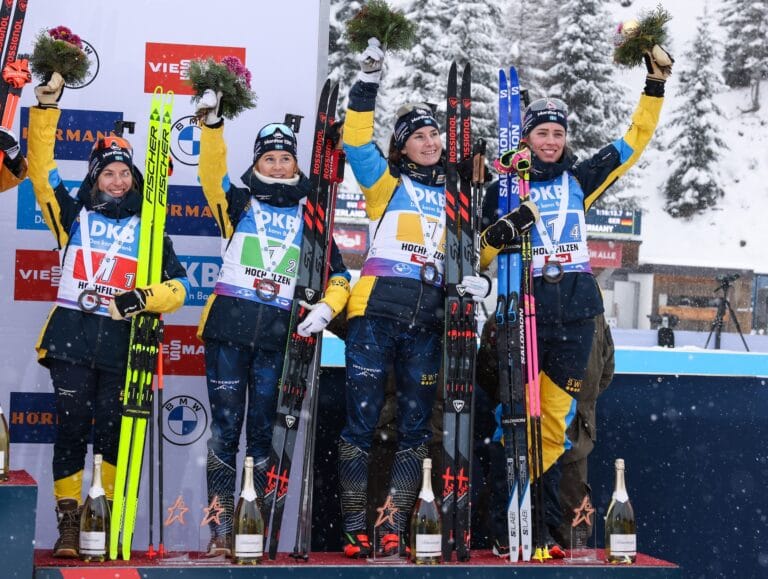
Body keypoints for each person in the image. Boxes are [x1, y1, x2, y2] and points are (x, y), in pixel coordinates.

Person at [478, 44, 673, 552]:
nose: (550, 141)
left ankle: (542, 528)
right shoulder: (505, 186)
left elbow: (632, 143)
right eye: (541, 132)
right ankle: (504, 528)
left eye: (557, 133)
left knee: (553, 429)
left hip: (577, 308)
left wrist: (654, 87)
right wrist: (501, 232)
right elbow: (479, 254)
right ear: (526, 138)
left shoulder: (579, 179)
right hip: (525, 306)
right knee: (514, 422)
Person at [337, 38, 490, 559]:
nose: (430, 142)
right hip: (375, 313)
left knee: (415, 430)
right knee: (360, 422)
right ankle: (355, 524)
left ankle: (391, 523)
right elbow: (356, 145)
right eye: (418, 136)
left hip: (430, 320)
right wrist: (368, 83)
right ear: (401, 147)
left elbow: (476, 251)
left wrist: (485, 278)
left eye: (434, 135)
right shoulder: (386, 182)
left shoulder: (460, 197)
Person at [27, 72, 189, 558]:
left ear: (135, 178)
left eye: (124, 173)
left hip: (124, 346)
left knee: (117, 432)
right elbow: (40, 170)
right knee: (73, 428)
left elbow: (179, 287)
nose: (117, 181)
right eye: (107, 173)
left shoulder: (150, 227)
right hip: (71, 339)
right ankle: (71, 524)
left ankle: (107, 515)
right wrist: (45, 111)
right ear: (95, 177)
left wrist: (141, 299)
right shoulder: (72, 215)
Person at [194, 89, 351, 557]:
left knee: (265, 433)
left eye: (286, 158)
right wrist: (213, 126)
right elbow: (210, 175)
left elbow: (339, 275)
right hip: (229, 329)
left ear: (297, 165)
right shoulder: (238, 204)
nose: (280, 166)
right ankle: (221, 530)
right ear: (258, 163)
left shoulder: (313, 217)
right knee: (224, 428)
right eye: (271, 159)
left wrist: (327, 307)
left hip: (280, 340)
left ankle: (252, 524)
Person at [554, 312, 614, 548]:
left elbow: (605, 366)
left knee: (572, 529)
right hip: (566, 430)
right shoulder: (590, 304)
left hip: (569, 432)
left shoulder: (590, 308)